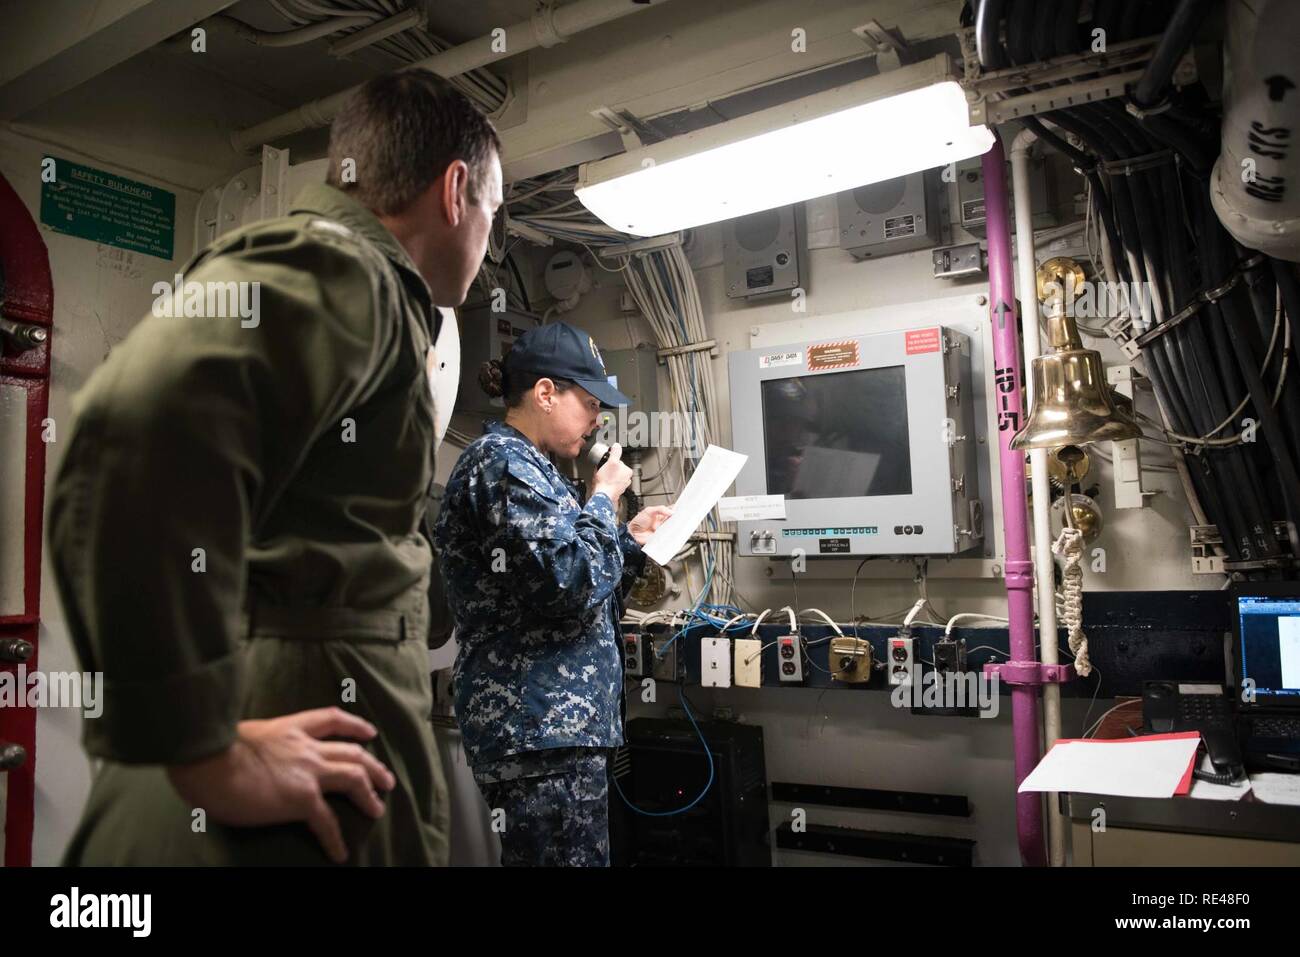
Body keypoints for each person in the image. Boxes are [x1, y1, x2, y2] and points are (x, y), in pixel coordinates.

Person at [48, 69, 502, 865]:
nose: (489, 239)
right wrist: (206, 750)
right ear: (455, 189)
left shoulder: (375, 296)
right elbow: (133, 429)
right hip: (270, 808)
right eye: (494, 211)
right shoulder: (347, 270)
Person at [434, 322, 672, 866]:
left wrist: (628, 544)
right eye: (588, 403)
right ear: (545, 393)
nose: (596, 420)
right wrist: (604, 497)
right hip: (536, 727)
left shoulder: (539, 473)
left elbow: (589, 595)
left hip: (561, 729)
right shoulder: (500, 465)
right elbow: (566, 583)